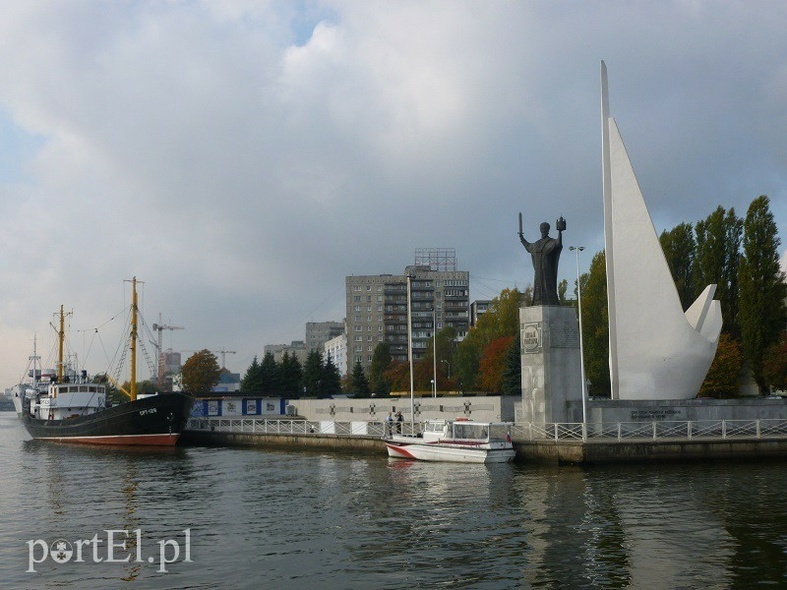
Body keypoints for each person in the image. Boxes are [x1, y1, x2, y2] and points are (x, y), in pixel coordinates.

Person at [518, 214, 565, 306]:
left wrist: (560, 232)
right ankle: (537, 302)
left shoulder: (551, 242)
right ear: (540, 230)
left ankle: (551, 301)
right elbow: (528, 246)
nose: (543, 231)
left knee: (548, 287)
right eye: (542, 229)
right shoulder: (536, 244)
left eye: (545, 229)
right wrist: (522, 238)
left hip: (547, 271)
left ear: (548, 230)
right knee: (537, 287)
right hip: (538, 272)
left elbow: (558, 244)